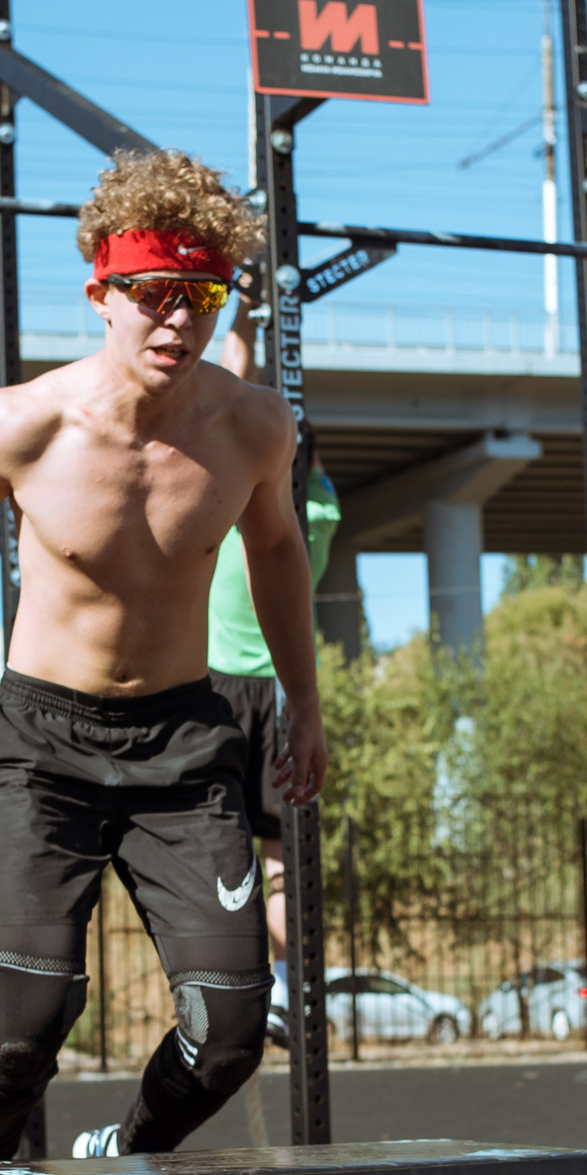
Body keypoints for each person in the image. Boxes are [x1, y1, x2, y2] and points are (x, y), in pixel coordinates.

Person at [0, 149, 326, 1163]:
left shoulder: (253, 427)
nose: (179, 319)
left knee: (230, 1030)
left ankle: (121, 1156)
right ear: (101, 294)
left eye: (203, 295)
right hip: (42, 741)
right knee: (26, 1026)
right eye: (155, 294)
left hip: (184, 742)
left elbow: (276, 553)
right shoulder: (20, 424)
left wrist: (303, 704)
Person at [212, 297, 342, 999]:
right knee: (278, 863)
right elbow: (303, 455)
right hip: (287, 692)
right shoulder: (319, 513)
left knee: (216, 850)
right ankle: (286, 987)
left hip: (221, 688)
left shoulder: (247, 516)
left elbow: (235, 392)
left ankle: (235, 981)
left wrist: (246, 316)